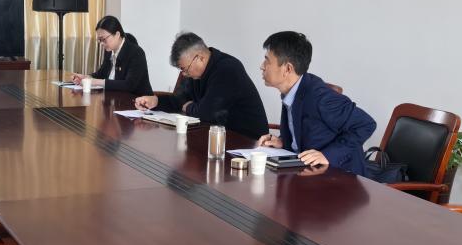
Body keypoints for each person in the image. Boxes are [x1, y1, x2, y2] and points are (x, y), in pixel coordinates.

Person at [257, 31, 375, 175]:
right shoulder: (291, 90)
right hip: (309, 173)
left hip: (341, 178)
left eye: (267, 61)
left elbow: (366, 124)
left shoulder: (320, 97)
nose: (262, 66)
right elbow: (307, 133)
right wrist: (283, 141)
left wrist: (328, 155)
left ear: (287, 69)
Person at [134, 32, 268, 140]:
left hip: (246, 141)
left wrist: (188, 107)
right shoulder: (194, 73)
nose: (184, 74)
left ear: (200, 58)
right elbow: (179, 99)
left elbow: (206, 113)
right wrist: (156, 101)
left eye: (185, 69)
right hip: (215, 136)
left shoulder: (227, 69)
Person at [70, 15, 153, 96]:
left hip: (137, 101)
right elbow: (101, 74)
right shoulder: (109, 50)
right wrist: (86, 77)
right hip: (115, 99)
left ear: (117, 35)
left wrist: (95, 82)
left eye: (104, 39)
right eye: (99, 40)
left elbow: (129, 85)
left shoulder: (136, 53)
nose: (102, 43)